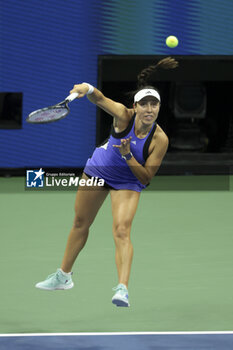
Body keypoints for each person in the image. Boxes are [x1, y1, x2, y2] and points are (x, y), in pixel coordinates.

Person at [35, 57, 178, 307]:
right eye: (144, 104)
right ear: (135, 106)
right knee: (80, 222)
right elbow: (100, 99)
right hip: (99, 171)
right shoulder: (123, 115)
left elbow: (145, 177)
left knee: (122, 231)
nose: (149, 109)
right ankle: (63, 276)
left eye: (154, 105)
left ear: (158, 108)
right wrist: (87, 89)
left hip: (128, 180)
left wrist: (127, 155)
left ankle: (122, 289)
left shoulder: (160, 139)